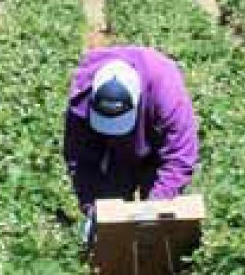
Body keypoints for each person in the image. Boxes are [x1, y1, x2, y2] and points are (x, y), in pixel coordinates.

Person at [63, 46, 200, 224]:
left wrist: (155, 207)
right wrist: (91, 205)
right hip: (114, 154)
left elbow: (180, 158)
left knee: (158, 223)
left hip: (155, 146)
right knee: (110, 214)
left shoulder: (166, 91)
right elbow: (79, 158)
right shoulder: (82, 95)